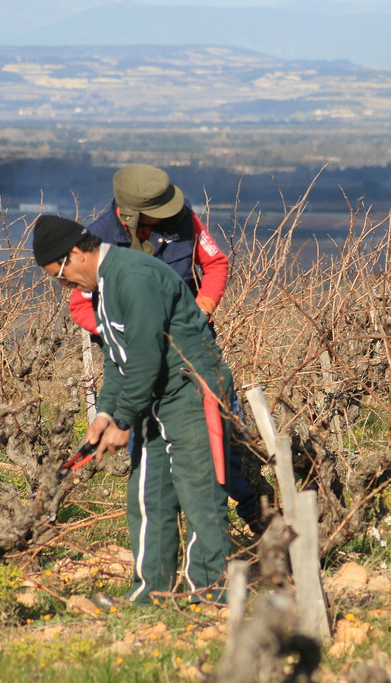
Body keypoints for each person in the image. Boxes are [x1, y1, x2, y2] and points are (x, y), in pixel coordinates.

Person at [33, 215, 231, 604]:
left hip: (190, 392)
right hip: (154, 399)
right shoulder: (104, 286)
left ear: (75, 254)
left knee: (200, 496)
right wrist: (105, 414)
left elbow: (143, 356)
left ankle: (209, 599)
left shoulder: (134, 277)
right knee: (148, 498)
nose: (64, 285)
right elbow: (116, 356)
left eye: (59, 274)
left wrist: (123, 419)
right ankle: (149, 596)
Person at [70, 164, 271, 534]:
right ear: (131, 214)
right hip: (138, 363)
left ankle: (259, 519)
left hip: (194, 351)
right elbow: (80, 305)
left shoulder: (185, 220)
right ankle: (166, 537)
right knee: (146, 449)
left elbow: (215, 263)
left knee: (220, 437)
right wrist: (119, 333)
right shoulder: (94, 244)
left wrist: (201, 311)